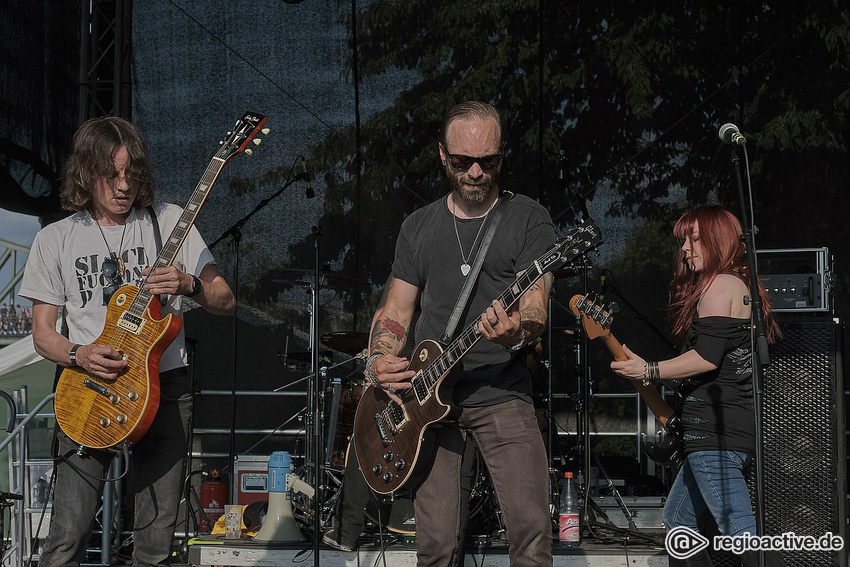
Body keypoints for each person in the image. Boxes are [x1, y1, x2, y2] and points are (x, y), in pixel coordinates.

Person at [19, 116, 235, 567]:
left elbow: (225, 299)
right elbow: (42, 335)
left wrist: (188, 283)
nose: (123, 186)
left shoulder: (169, 222)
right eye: (110, 174)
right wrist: (79, 353)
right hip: (88, 387)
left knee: (155, 545)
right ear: (85, 172)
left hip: (164, 389)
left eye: (131, 174)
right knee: (67, 537)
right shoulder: (55, 239)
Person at [363, 101, 555, 566]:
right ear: (442, 156)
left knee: (531, 534)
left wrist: (515, 333)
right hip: (428, 400)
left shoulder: (529, 219)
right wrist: (378, 359)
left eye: (487, 161)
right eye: (462, 161)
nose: (474, 172)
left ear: (501, 158)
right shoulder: (419, 226)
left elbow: (535, 306)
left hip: (501, 390)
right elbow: (396, 311)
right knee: (437, 547)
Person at [610, 205, 785, 567]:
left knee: (739, 530)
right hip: (719, 435)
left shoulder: (719, 285)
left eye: (695, 239)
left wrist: (650, 369)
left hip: (714, 438)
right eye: (683, 241)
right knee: (678, 522)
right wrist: (645, 366)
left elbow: (707, 357)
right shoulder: (739, 284)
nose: (686, 249)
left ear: (718, 240)